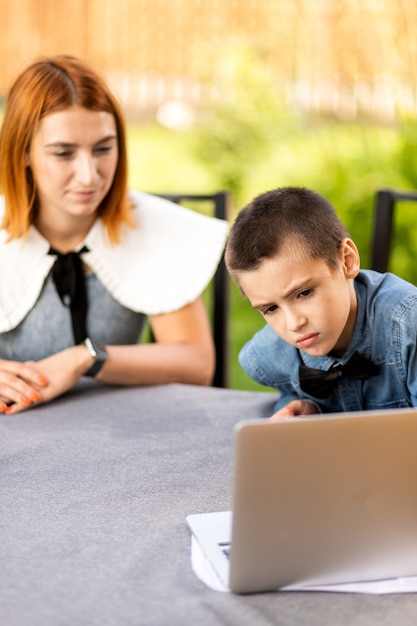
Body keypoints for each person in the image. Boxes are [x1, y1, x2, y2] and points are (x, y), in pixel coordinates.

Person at [0, 55, 228, 414]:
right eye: (64, 153)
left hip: (122, 436)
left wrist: (86, 358)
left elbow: (196, 363)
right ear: (23, 152)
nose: (89, 175)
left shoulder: (154, 229)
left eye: (103, 148)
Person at [225, 186, 417, 421]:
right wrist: (307, 408)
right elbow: (290, 392)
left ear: (347, 261)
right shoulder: (269, 355)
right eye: (271, 308)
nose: (294, 323)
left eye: (304, 293)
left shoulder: (408, 325)